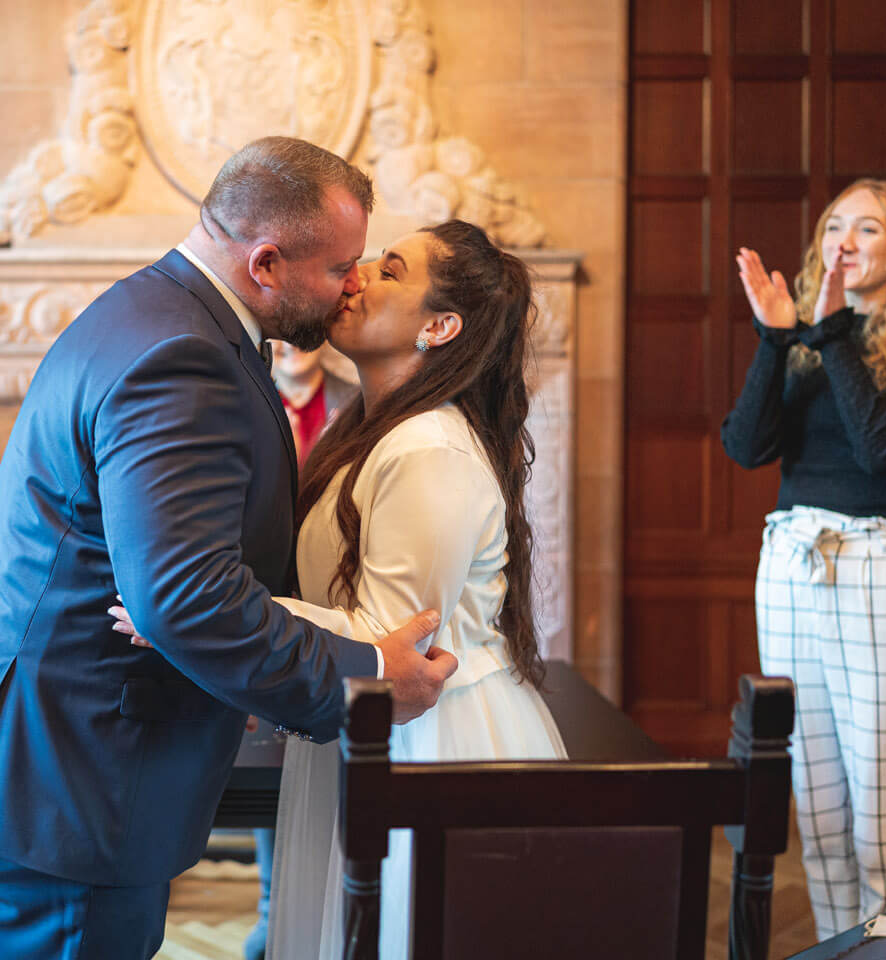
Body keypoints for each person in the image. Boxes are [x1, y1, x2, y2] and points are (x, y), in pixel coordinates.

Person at [0, 137, 456, 960]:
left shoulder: (163, 312)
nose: (351, 286)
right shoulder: (182, 356)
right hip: (70, 777)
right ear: (266, 262)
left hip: (43, 756)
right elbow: (184, 598)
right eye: (341, 267)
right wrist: (365, 677)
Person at [116, 220, 568, 957]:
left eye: (390, 271)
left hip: (430, 739)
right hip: (373, 729)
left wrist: (198, 612)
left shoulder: (428, 448)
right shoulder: (377, 431)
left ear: (441, 326)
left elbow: (394, 642)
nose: (355, 276)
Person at [721, 179, 886, 938]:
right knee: (821, 819)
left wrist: (829, 335)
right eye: (836, 227)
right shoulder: (801, 340)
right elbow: (746, 446)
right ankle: (841, 954)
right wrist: (776, 339)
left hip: (874, 568)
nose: (847, 243)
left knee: (883, 825)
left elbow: (885, 454)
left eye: (868, 229)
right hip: (790, 565)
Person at [245, 342, 359, 960]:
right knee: (270, 758)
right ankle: (271, 905)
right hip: (259, 589)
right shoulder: (245, 389)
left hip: (323, 589)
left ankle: (322, 906)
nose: (291, 347)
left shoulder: (353, 396)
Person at [273, 341, 359, 466]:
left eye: (303, 329)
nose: (290, 345)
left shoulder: (357, 403)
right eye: (278, 334)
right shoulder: (245, 407)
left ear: (324, 339)